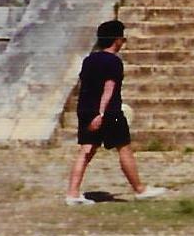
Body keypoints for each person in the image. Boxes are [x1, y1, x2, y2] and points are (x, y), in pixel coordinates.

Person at [65, 19, 168, 206]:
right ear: (117, 40)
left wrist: (91, 113)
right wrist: (101, 113)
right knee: (124, 149)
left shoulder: (89, 60)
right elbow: (109, 88)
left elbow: (85, 86)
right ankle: (139, 189)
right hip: (109, 111)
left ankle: (72, 192)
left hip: (85, 109)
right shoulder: (114, 62)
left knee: (86, 150)